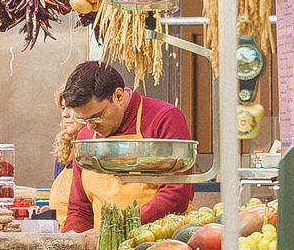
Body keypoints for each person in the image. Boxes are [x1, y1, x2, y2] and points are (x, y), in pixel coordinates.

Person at [59, 60, 194, 233]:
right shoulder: (87, 137)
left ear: (119, 96)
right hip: (102, 248)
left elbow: (176, 194)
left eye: (95, 117)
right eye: (83, 120)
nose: (90, 126)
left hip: (158, 245)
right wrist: (73, 242)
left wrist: (119, 229)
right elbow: (80, 209)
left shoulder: (165, 118)